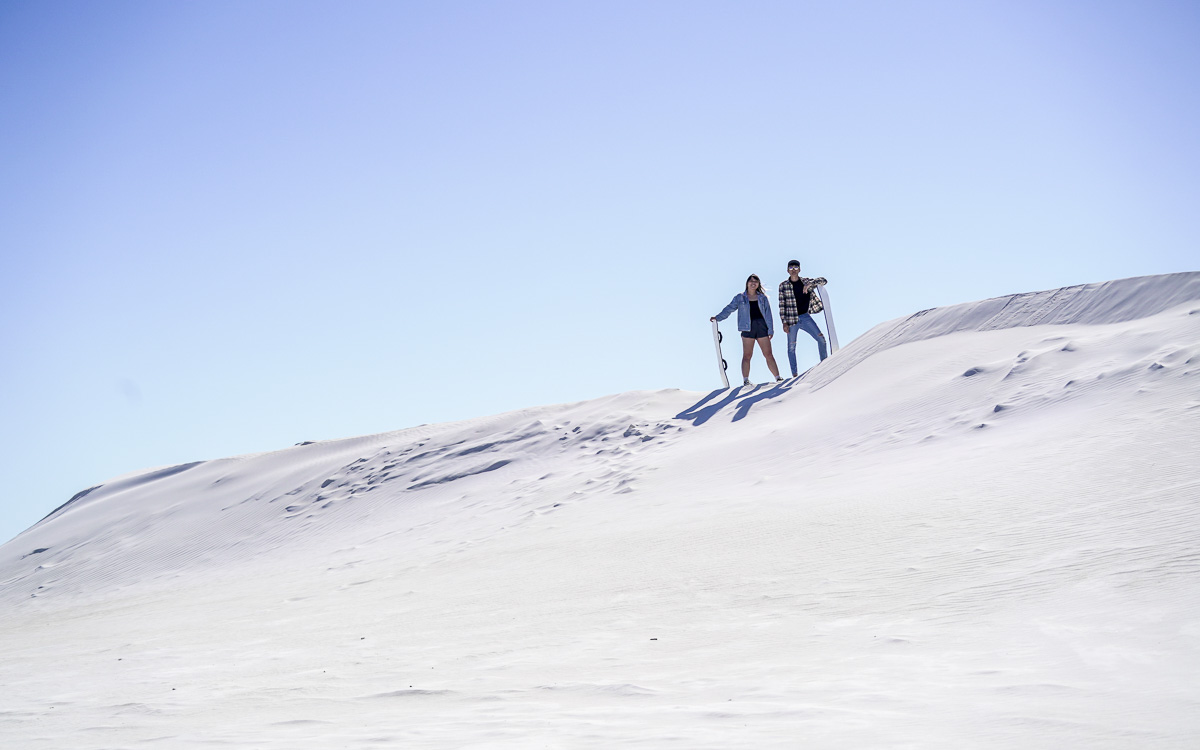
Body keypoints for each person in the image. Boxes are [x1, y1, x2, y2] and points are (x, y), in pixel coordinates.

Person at [711, 274, 784, 386]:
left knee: (768, 354)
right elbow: (729, 309)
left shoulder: (762, 298)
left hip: (761, 327)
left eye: (756, 281)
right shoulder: (740, 298)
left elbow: (768, 314)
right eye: (751, 281)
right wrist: (718, 318)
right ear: (747, 283)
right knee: (747, 355)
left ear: (758, 284)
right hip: (747, 328)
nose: (753, 283)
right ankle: (746, 380)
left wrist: (770, 330)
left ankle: (778, 377)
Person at [777, 259, 828, 377]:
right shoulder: (783, 286)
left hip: (805, 317)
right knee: (791, 347)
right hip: (791, 320)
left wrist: (811, 283)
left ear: (799, 269)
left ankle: (825, 364)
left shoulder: (806, 281)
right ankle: (794, 374)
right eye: (791, 268)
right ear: (787, 270)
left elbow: (824, 280)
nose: (793, 270)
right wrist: (784, 323)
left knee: (821, 339)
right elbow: (781, 305)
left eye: (796, 267)